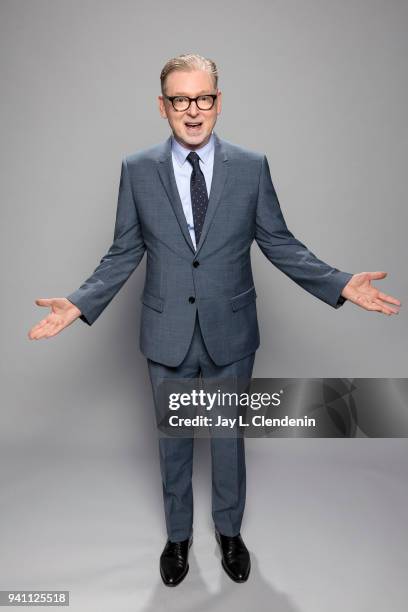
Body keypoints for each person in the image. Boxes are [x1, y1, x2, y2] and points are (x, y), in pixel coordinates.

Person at [28, 53, 401, 587]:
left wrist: (339, 281)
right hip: (167, 331)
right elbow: (122, 252)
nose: (194, 111)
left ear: (218, 102)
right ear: (163, 107)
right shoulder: (137, 170)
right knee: (173, 440)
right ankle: (177, 539)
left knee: (228, 437)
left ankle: (230, 533)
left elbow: (278, 241)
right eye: (181, 100)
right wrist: (80, 302)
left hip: (231, 329)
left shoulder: (251, 167)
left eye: (203, 98)